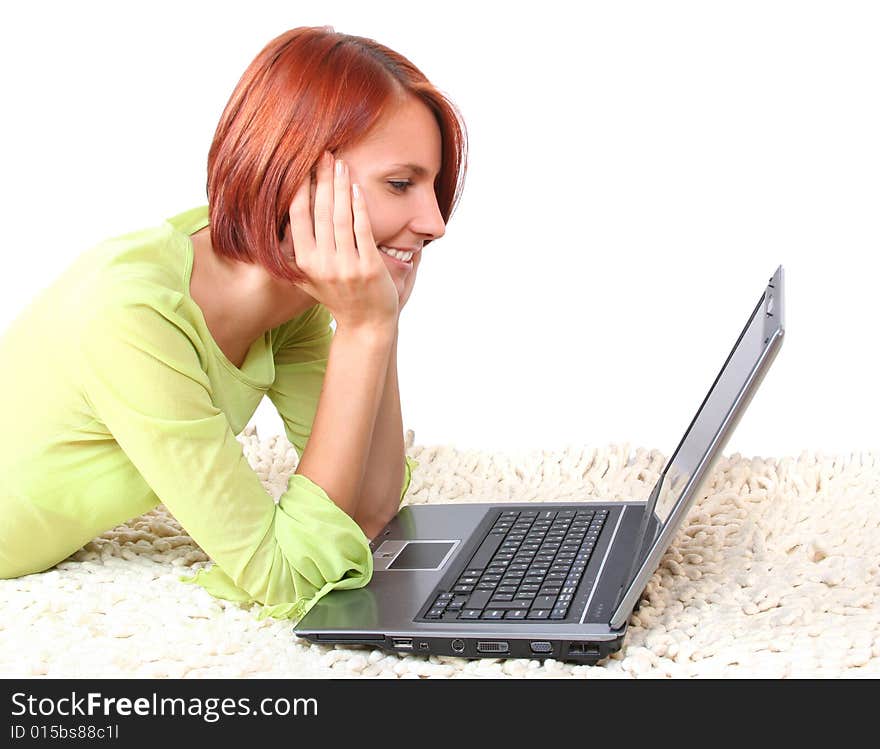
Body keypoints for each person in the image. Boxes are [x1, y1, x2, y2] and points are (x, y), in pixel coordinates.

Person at [0, 26, 467, 621]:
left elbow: (373, 511)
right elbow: (282, 577)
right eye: (401, 184)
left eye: (432, 187)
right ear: (295, 175)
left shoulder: (286, 304)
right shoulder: (130, 314)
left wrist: (379, 324)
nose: (434, 222)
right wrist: (362, 330)